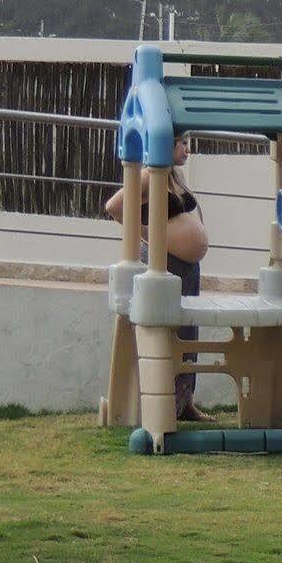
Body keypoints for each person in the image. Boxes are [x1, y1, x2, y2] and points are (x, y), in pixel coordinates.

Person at [103, 132, 211, 423]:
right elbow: (114, 207)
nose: (187, 149)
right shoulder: (151, 174)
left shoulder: (174, 175)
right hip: (164, 265)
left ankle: (186, 401)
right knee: (169, 328)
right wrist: (151, 236)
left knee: (189, 328)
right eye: (182, 143)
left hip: (186, 267)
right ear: (166, 144)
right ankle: (166, 404)